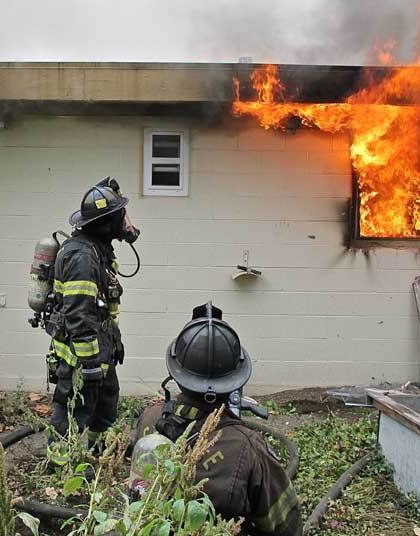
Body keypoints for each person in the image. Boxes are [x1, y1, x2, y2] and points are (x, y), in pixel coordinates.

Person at [131, 304, 303, 536]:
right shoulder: (248, 448)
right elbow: (286, 526)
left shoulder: (149, 419)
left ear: (176, 372)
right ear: (235, 379)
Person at [48, 176, 140, 447]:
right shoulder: (83, 257)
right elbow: (79, 315)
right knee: (73, 410)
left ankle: (95, 449)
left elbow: (101, 309)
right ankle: (61, 467)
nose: (122, 223)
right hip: (80, 355)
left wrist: (113, 342)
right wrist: (89, 365)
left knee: (105, 405)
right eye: (118, 217)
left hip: (100, 349)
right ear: (105, 223)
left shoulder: (97, 249)